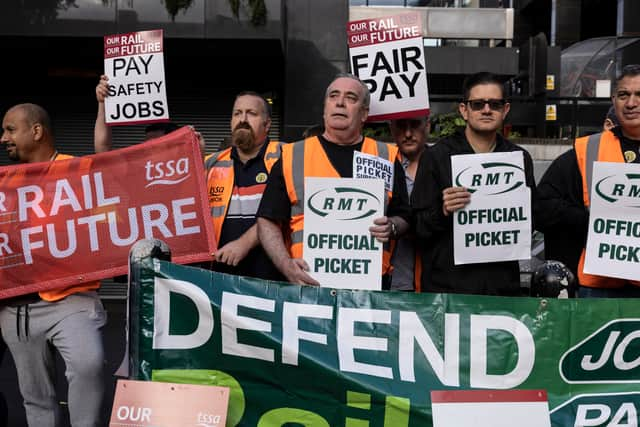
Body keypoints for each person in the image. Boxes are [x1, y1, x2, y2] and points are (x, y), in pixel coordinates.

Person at [0, 103, 106, 426]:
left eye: (9, 129)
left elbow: (107, 162)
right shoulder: (5, 182)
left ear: (36, 131)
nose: (3, 138)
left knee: (90, 363)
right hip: (16, 308)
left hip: (71, 298)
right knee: (35, 397)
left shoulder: (74, 169)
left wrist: (102, 106)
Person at [256, 73, 411, 286]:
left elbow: (404, 216)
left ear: (364, 113)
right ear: (325, 108)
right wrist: (286, 266)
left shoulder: (385, 155)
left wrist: (392, 226)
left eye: (350, 98)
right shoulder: (292, 156)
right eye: (333, 96)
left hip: (370, 291)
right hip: (307, 285)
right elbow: (267, 220)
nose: (340, 102)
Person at [412, 72, 537, 296]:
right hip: (448, 290)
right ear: (464, 110)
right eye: (478, 104)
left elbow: (533, 221)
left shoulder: (519, 158)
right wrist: (442, 211)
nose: (487, 110)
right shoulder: (436, 157)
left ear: (505, 110)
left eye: (495, 104)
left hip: (501, 289)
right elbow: (416, 228)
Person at [537, 64, 640, 298]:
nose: (631, 103)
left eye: (639, 95)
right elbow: (542, 207)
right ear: (614, 100)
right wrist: (590, 219)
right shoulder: (587, 150)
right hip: (597, 289)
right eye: (624, 95)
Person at [536, 104, 623, 290]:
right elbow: (540, 210)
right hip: (589, 286)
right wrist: (590, 220)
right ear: (609, 125)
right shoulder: (580, 158)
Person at [204, 91, 284, 281]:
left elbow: (285, 213)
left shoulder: (285, 155)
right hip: (220, 277)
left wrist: (243, 244)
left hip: (272, 279)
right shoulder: (211, 163)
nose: (243, 119)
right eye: (237, 113)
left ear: (268, 124)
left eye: (251, 113)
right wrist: (192, 156)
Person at [94, 74, 204, 153]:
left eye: (154, 143)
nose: (146, 147)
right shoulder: (138, 169)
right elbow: (103, 151)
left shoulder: (186, 172)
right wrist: (103, 103)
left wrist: (198, 153)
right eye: (146, 142)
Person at [388, 115, 430, 291]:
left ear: (427, 126)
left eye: (414, 125)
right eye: (400, 126)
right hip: (389, 276)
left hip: (431, 277)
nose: (407, 133)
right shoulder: (381, 163)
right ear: (391, 128)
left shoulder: (443, 163)